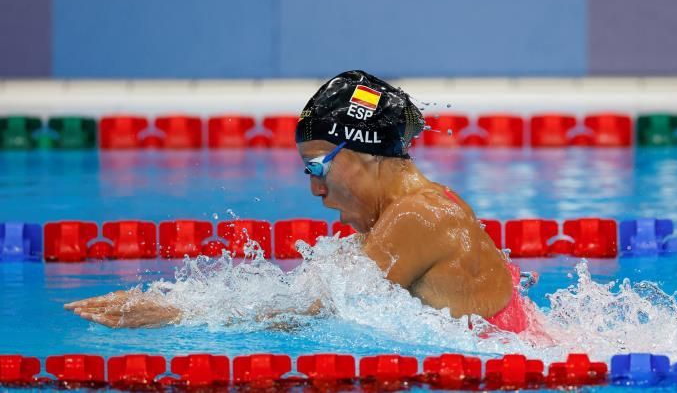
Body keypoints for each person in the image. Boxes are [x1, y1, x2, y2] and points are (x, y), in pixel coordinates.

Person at [65, 70, 547, 337]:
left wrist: (171, 316)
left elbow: (312, 314)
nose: (316, 191)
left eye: (317, 168)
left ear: (361, 155)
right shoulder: (411, 210)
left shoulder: (418, 215)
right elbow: (309, 299)